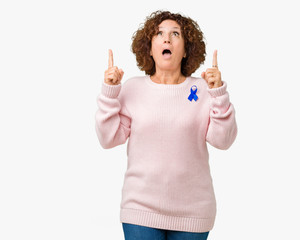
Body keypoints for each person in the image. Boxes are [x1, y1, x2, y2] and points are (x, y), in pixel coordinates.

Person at [95, 10, 237, 240]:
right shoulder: (132, 88)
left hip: (193, 212)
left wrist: (218, 93)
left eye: (175, 34)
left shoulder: (203, 89)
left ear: (186, 50)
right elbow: (108, 139)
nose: (167, 39)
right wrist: (110, 93)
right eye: (159, 34)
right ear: (150, 48)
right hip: (140, 209)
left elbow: (223, 140)